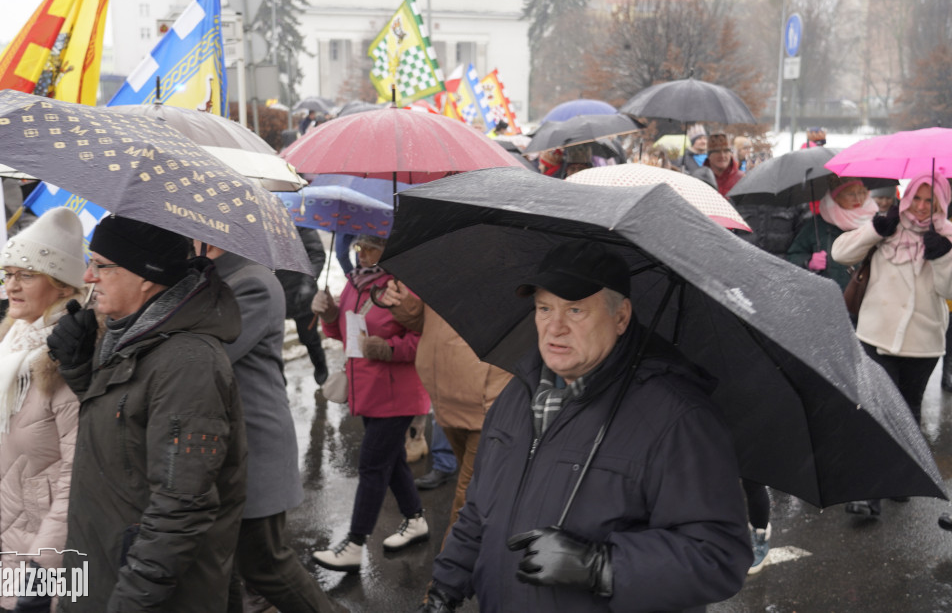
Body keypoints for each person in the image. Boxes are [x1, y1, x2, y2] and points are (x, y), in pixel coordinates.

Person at [418, 240, 751, 612]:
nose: (554, 327)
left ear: (621, 316)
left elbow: (719, 556)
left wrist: (600, 565)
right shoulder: (517, 393)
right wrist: (444, 590)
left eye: (575, 310)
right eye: (544, 308)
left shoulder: (679, 418)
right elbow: (480, 510)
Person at [46, 215, 246, 612]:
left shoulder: (188, 363)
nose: (88, 277)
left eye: (101, 265)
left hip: (143, 589)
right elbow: (125, 436)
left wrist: (132, 600)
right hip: (101, 565)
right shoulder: (133, 336)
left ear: (146, 275)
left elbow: (181, 503)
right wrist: (79, 365)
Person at [195, 241, 338, 613]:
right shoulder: (208, 276)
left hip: (256, 444)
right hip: (225, 446)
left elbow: (210, 354)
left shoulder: (252, 281)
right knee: (223, 568)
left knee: (265, 564)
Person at [309, 234, 431, 572]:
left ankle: (355, 543)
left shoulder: (404, 285)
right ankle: (416, 519)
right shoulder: (356, 282)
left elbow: (424, 339)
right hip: (367, 390)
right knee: (390, 462)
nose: (362, 253)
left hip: (397, 394)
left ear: (390, 247)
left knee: (372, 466)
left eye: (372, 246)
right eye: (358, 246)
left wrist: (388, 349)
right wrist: (330, 313)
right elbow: (344, 334)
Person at [832, 174, 952, 517]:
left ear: (942, 204)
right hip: (876, 333)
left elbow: (950, 291)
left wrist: (943, 257)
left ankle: (901, 477)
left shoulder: (947, 235)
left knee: (907, 411)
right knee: (878, 412)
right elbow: (841, 252)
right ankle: (870, 495)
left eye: (932, 201)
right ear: (907, 195)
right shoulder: (888, 226)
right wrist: (875, 230)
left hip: (922, 341)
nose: (921, 207)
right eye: (917, 198)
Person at [0, 207, 85, 612]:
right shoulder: (14, 347)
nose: (11, 286)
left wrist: (42, 567)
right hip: (14, 532)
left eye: (26, 275)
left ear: (62, 286)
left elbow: (73, 476)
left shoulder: (65, 360)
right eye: (7, 274)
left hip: (44, 556)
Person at [380, 281, 512, 535]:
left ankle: (450, 572)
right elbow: (426, 322)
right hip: (448, 404)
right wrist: (404, 302)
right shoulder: (448, 265)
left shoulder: (506, 269)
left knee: (467, 499)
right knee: (480, 491)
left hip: (486, 407)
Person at [787, 177, 877, 290]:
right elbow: (794, 255)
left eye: (861, 192)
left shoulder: (875, 222)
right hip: (828, 296)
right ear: (836, 197)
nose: (858, 198)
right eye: (850, 194)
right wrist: (808, 262)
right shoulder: (817, 224)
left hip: (865, 296)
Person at [277, 227, 330, 385]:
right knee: (273, 342)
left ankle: (320, 366)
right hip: (275, 294)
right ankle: (278, 379)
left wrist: (307, 283)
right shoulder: (260, 225)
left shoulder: (299, 223)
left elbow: (317, 254)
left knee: (309, 337)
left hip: (302, 293)